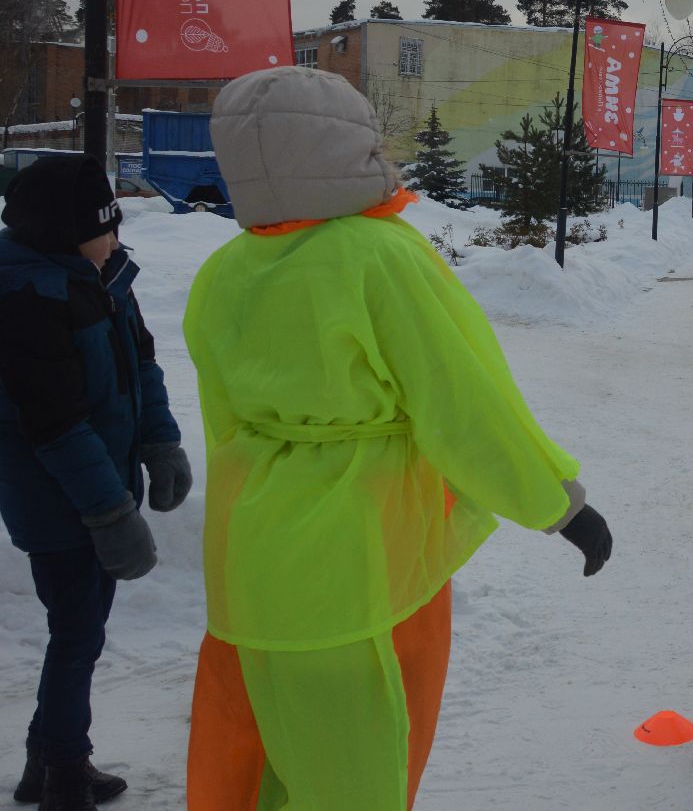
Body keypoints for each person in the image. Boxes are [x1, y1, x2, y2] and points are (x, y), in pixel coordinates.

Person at [181, 67, 613, 810]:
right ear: (347, 145)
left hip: (252, 570)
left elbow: (222, 421)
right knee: (362, 768)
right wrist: (558, 504)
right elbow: (464, 403)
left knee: (258, 764)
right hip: (367, 568)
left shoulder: (224, 270)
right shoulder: (381, 255)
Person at [0, 154, 191, 810]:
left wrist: (160, 442)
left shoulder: (102, 276)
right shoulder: (26, 298)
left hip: (98, 488)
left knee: (77, 635)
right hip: (59, 503)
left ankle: (44, 762)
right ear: (61, 232)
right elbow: (54, 427)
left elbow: (143, 364)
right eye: (103, 227)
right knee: (77, 636)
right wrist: (110, 515)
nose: (115, 239)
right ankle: (62, 774)